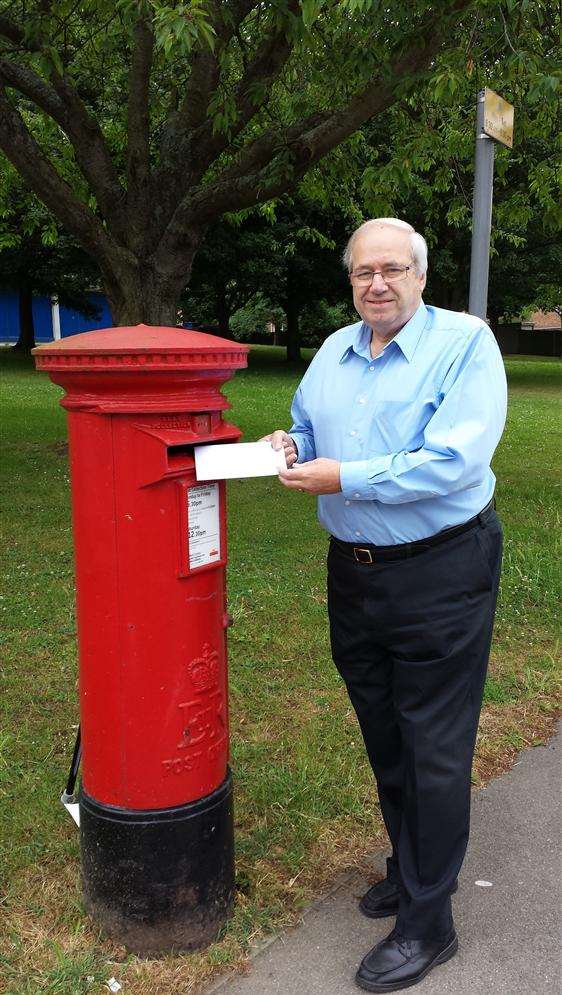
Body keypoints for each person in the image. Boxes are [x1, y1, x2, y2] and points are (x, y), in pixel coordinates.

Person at [265, 218, 507, 992]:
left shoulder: (466, 344)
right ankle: (413, 872)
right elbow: (306, 424)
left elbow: (451, 460)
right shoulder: (335, 351)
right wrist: (291, 445)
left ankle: (430, 925)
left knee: (432, 744)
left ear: (421, 275)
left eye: (392, 269)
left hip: (441, 568)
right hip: (357, 572)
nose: (377, 283)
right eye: (363, 272)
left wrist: (345, 476)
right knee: (386, 733)